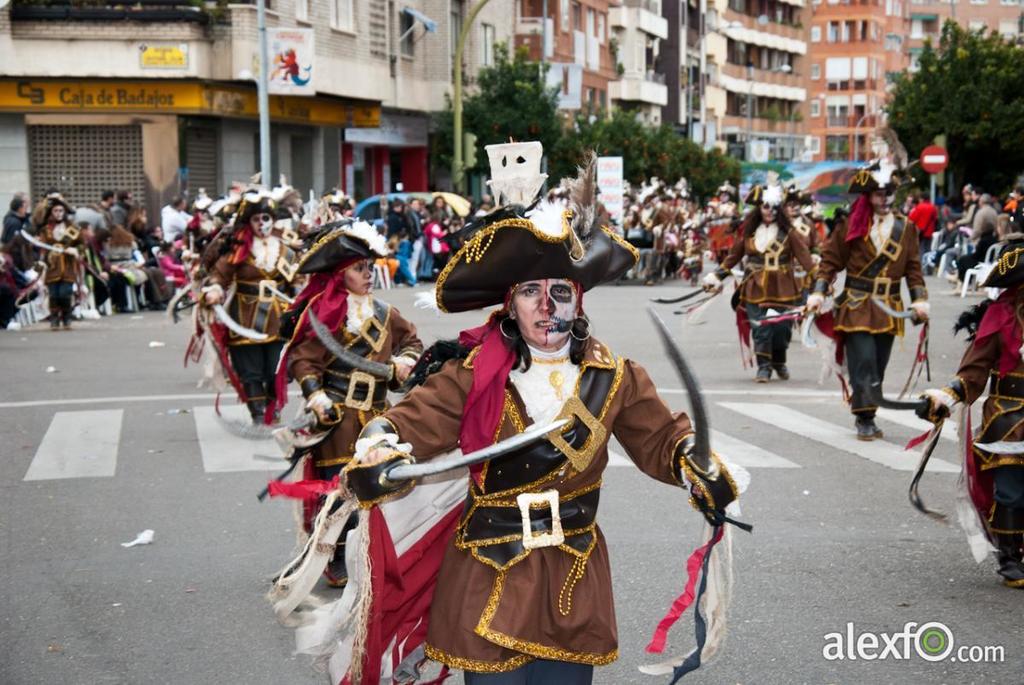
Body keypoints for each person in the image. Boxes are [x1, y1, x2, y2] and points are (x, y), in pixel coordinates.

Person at [315, 144, 741, 683]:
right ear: (510, 306)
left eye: (560, 291)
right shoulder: (473, 374)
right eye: (532, 293)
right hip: (487, 572)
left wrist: (693, 466)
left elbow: (663, 439)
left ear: (578, 302)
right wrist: (380, 443)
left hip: (573, 575)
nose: (547, 306)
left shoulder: (616, 379)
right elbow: (406, 423)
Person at [274, 219, 422, 586]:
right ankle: (335, 557)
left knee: (380, 488)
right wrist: (317, 395)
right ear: (342, 275)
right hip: (338, 417)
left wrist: (404, 362)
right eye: (360, 269)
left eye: (370, 267)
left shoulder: (386, 314)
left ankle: (374, 557)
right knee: (338, 494)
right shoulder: (326, 316)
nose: (368, 274)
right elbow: (302, 360)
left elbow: (412, 342)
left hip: (377, 415)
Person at [918, 237, 1024, 588]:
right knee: (1010, 491)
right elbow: (973, 372)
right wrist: (946, 397)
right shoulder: (999, 318)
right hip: (1010, 421)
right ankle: (1009, 557)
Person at [806, 142, 929, 440]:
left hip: (889, 306)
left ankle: (868, 410)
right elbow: (830, 261)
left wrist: (921, 301)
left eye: (888, 193)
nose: (884, 199)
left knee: (878, 365)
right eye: (878, 193)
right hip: (857, 304)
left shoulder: (906, 227)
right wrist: (819, 292)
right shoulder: (851, 224)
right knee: (862, 361)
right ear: (868, 195)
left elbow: (913, 268)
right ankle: (864, 418)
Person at [203, 188, 302, 423]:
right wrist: (215, 290)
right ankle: (258, 412)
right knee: (250, 369)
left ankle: (272, 408)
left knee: (276, 368)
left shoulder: (286, 250)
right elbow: (218, 275)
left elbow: (297, 280)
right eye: (256, 219)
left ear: (274, 220)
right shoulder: (238, 250)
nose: (262, 223)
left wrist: (301, 294)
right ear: (249, 222)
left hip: (279, 318)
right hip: (244, 317)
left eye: (266, 218)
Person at [703, 179, 815, 382]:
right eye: (765, 206)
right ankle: (764, 367)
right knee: (760, 328)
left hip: (783, 288)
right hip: (754, 287)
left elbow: (806, 258)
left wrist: (820, 283)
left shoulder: (789, 233)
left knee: (781, 330)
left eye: (774, 207)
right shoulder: (748, 232)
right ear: (759, 208)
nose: (770, 211)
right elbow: (733, 256)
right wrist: (717, 275)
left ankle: (779, 361)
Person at [33, 194, 82, 330]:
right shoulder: (45, 230)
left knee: (65, 292)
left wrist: (75, 249)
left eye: (61, 210)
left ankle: (66, 317)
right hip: (51, 265)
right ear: (51, 212)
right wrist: (40, 265)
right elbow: (41, 249)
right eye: (56, 211)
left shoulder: (72, 228)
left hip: (68, 266)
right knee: (54, 294)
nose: (58, 213)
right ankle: (54, 319)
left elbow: (82, 245)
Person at [956, 193, 999, 285]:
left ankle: (964, 281)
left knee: (964, 259)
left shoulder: (981, 213)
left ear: (981, 202)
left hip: (980, 243)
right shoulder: (994, 212)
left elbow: (977, 229)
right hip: (992, 243)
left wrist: (971, 238)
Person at [907, 191, 938, 258]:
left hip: (920, 233)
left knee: (920, 250)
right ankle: (928, 266)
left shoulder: (919, 207)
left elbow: (911, 219)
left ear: (922, 199)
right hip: (929, 233)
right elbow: (935, 219)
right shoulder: (933, 207)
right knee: (928, 250)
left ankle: (920, 267)